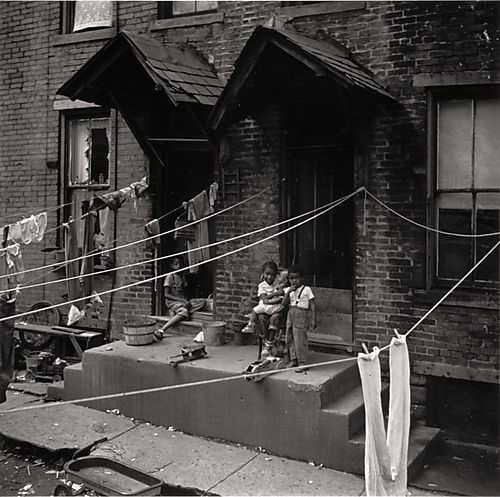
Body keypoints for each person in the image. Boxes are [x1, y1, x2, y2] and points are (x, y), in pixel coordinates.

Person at [241, 261, 288, 343]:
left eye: (272, 275)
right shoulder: (262, 285)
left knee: (275, 318)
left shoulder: (278, 284)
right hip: (266, 307)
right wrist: (275, 295)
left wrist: (270, 299)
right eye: (267, 274)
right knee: (261, 318)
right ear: (263, 273)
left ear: (276, 275)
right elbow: (264, 299)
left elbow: (280, 298)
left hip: (274, 308)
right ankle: (265, 338)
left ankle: (271, 339)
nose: (269, 277)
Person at [285, 265, 316, 372]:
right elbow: (284, 304)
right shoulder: (289, 290)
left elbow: (312, 304)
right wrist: (288, 292)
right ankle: (294, 359)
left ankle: (302, 362)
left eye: (296, 278)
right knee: (290, 337)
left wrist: (312, 319)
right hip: (291, 313)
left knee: (300, 339)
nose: (294, 281)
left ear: (302, 278)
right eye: (291, 278)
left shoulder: (307, 289)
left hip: (301, 314)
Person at [154, 257, 190, 341]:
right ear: (172, 266)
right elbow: (166, 295)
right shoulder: (170, 277)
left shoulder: (181, 276)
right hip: (172, 301)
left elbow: (183, 292)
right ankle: (161, 330)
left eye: (180, 264)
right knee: (184, 312)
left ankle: (175, 312)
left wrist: (186, 300)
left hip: (181, 301)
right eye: (176, 264)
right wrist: (182, 301)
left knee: (201, 303)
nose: (179, 266)